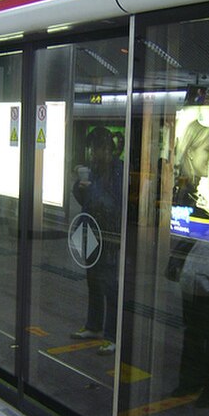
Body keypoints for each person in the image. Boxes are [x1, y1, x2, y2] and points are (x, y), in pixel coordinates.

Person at [170, 119, 209, 407]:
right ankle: (190, 379)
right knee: (193, 328)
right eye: (208, 148)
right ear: (191, 152)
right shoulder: (187, 187)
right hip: (195, 271)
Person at [70, 127, 123, 355]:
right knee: (93, 279)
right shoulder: (92, 170)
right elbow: (84, 198)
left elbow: (115, 201)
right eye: (91, 149)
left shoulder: (118, 171)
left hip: (109, 234)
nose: (93, 153)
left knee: (110, 284)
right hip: (91, 230)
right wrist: (78, 187)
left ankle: (112, 335)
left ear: (107, 149)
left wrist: (95, 190)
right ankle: (93, 325)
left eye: (96, 149)